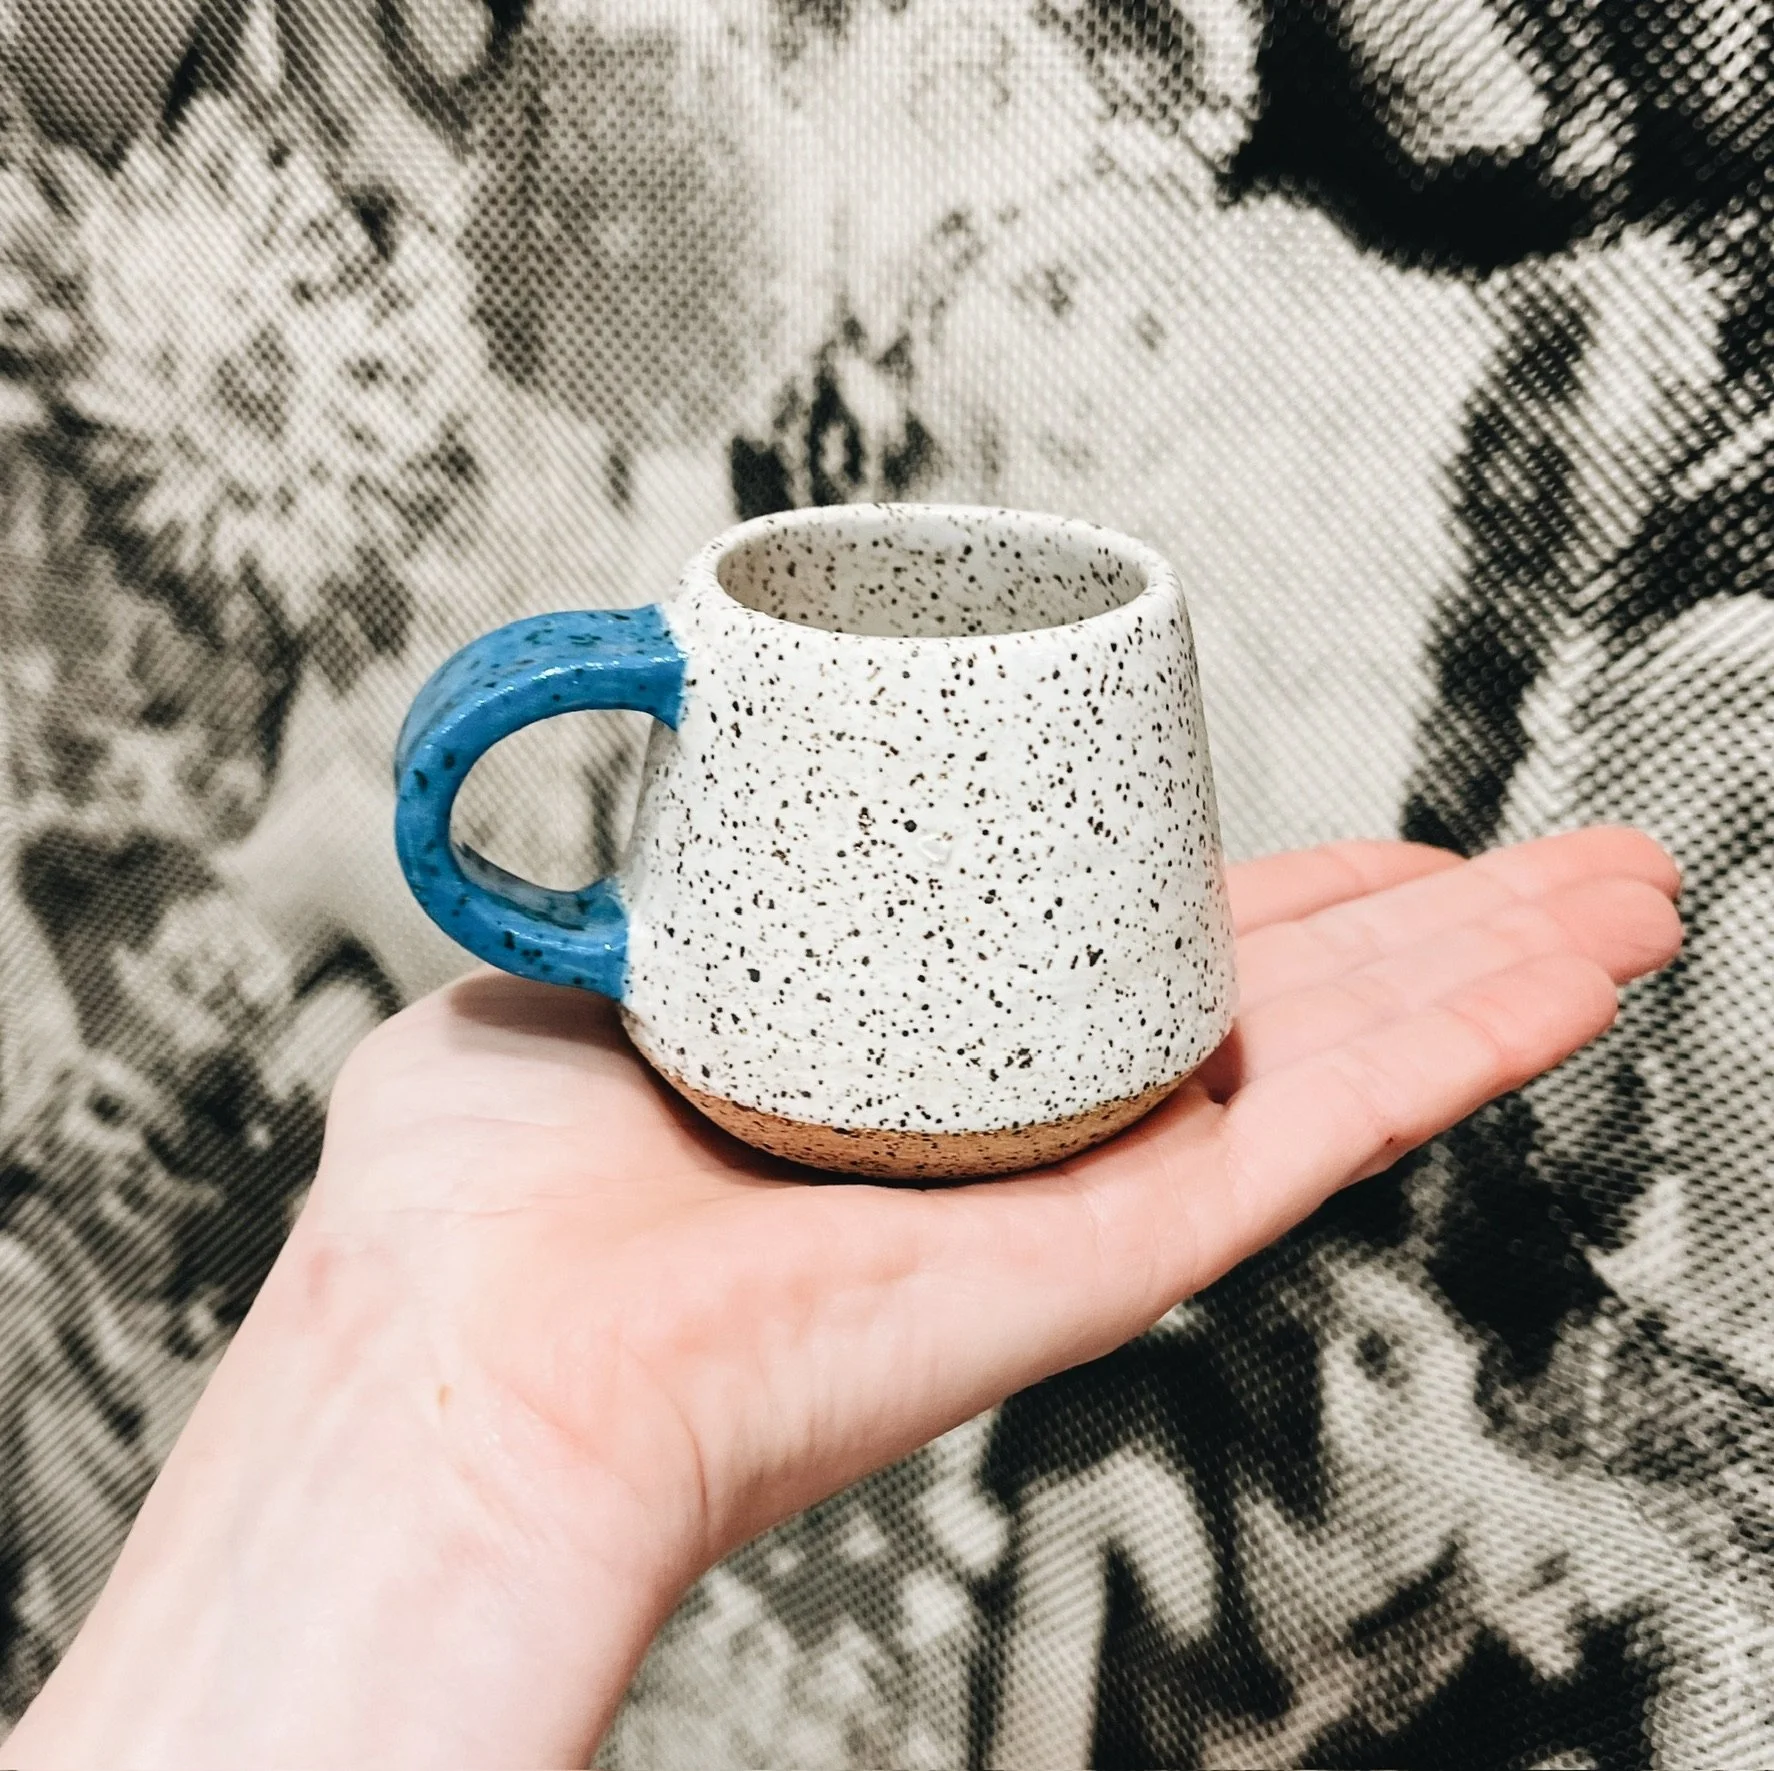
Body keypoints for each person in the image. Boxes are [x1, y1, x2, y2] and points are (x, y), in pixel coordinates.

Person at [0, 826, 1682, 1765]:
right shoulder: (1119, 1459)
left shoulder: (1567, 1579)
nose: (1322, 1410)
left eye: (1383, 1358)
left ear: (1497, 1377)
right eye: (1284, 1349)